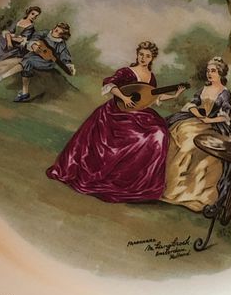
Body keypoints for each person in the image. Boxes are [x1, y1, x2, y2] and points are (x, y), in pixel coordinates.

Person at [46, 41, 186, 203]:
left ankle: (136, 181)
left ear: (152, 58)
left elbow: (151, 96)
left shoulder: (151, 77)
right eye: (141, 54)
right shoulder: (126, 72)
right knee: (138, 138)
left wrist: (174, 95)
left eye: (147, 56)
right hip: (117, 112)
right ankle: (113, 177)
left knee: (159, 133)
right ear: (137, 54)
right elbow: (109, 84)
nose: (143, 58)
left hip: (139, 113)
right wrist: (124, 97)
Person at [161, 57, 231, 212]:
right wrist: (198, 114)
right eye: (208, 71)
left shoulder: (224, 93)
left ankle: (183, 193)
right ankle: (164, 185)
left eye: (213, 71)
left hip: (213, 126)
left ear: (220, 73)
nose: (209, 74)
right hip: (196, 120)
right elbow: (193, 104)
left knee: (190, 145)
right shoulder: (203, 89)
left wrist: (209, 119)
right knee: (173, 135)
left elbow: (225, 116)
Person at [0, 22, 76, 102]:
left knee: (28, 61)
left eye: (59, 32)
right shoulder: (45, 33)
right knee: (28, 60)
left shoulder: (61, 44)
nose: (56, 32)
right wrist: (33, 44)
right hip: (35, 55)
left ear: (62, 35)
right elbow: (34, 37)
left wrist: (68, 65)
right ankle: (25, 93)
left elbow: (64, 55)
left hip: (47, 62)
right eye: (56, 29)